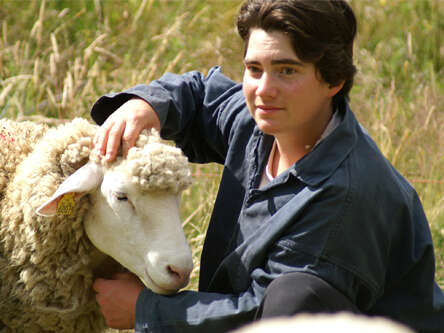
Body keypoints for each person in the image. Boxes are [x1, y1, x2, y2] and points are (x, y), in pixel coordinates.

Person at [90, 0, 444, 332]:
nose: (263, 90)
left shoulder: (343, 197)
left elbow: (264, 313)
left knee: (296, 294)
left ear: (333, 80)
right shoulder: (262, 121)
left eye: (287, 71)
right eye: (254, 69)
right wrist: (146, 105)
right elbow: (200, 97)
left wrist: (145, 310)